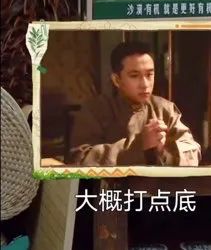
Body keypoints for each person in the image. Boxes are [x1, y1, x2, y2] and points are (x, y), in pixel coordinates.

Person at [69, 41, 201, 167]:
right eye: (134, 76)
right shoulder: (95, 110)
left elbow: (193, 150)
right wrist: (139, 146)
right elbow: (80, 158)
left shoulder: (165, 108)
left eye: (149, 74)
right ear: (116, 80)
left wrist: (163, 152)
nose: (145, 84)